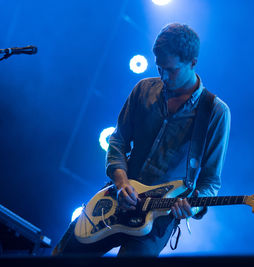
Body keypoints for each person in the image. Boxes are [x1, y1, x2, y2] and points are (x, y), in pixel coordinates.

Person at [52, 22, 230, 257]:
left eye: (171, 70)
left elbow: (210, 182)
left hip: (158, 219)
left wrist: (192, 206)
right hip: (116, 198)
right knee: (66, 255)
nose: (164, 76)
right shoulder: (144, 89)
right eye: (159, 68)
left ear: (192, 63)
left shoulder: (215, 112)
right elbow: (117, 142)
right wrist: (122, 182)